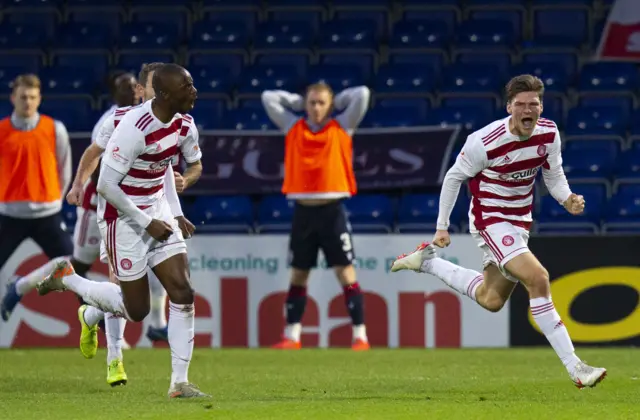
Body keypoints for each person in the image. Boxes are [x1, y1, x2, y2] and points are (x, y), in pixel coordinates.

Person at [391, 74, 607, 388]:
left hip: (519, 221)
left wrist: (568, 199)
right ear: (509, 107)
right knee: (539, 278)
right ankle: (576, 368)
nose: (527, 110)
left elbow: (554, 176)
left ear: (541, 107)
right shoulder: (484, 142)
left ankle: (427, 262)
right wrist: (442, 226)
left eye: (533, 104)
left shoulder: (548, 134)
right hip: (490, 220)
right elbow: (453, 178)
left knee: (491, 299)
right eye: (520, 104)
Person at [37, 63, 208, 398]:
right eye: (187, 86)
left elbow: (177, 168)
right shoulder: (130, 127)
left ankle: (179, 383)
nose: (194, 91)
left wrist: (176, 211)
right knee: (137, 311)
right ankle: (69, 279)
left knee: (183, 293)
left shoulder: (185, 124)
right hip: (122, 218)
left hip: (158, 210)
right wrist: (146, 222)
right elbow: (106, 185)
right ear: (164, 93)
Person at [261, 83, 371, 350]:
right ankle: (293, 335)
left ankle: (360, 336)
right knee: (299, 274)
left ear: (330, 105)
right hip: (303, 211)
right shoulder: (293, 127)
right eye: (312, 103)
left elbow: (363, 94)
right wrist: (297, 101)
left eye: (322, 103)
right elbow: (268, 97)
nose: (316, 108)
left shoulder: (342, 126)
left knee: (345, 272)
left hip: (332, 210)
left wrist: (339, 99)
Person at [0, 74, 72, 321]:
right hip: (8, 215)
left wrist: (53, 200)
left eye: (32, 97)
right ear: (13, 99)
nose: (27, 102)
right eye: (22, 97)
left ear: (39, 99)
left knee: (74, 269)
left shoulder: (55, 129)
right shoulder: (1, 131)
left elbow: (65, 170)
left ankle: (20, 286)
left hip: (47, 215)